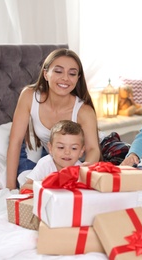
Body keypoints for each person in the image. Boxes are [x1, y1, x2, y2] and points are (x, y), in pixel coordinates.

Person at [6, 48, 100, 190]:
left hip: (81, 161)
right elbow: (15, 142)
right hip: (53, 156)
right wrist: (10, 188)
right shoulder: (29, 96)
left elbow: (93, 149)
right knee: (27, 174)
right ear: (45, 73)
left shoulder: (84, 111)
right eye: (58, 71)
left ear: (77, 78)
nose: (65, 78)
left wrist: (81, 174)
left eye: (72, 73)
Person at [20, 120, 85, 192]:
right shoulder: (45, 164)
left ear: (81, 151)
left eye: (74, 148)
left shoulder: (81, 170)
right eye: (61, 147)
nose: (67, 152)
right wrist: (46, 187)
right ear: (50, 148)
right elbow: (24, 187)